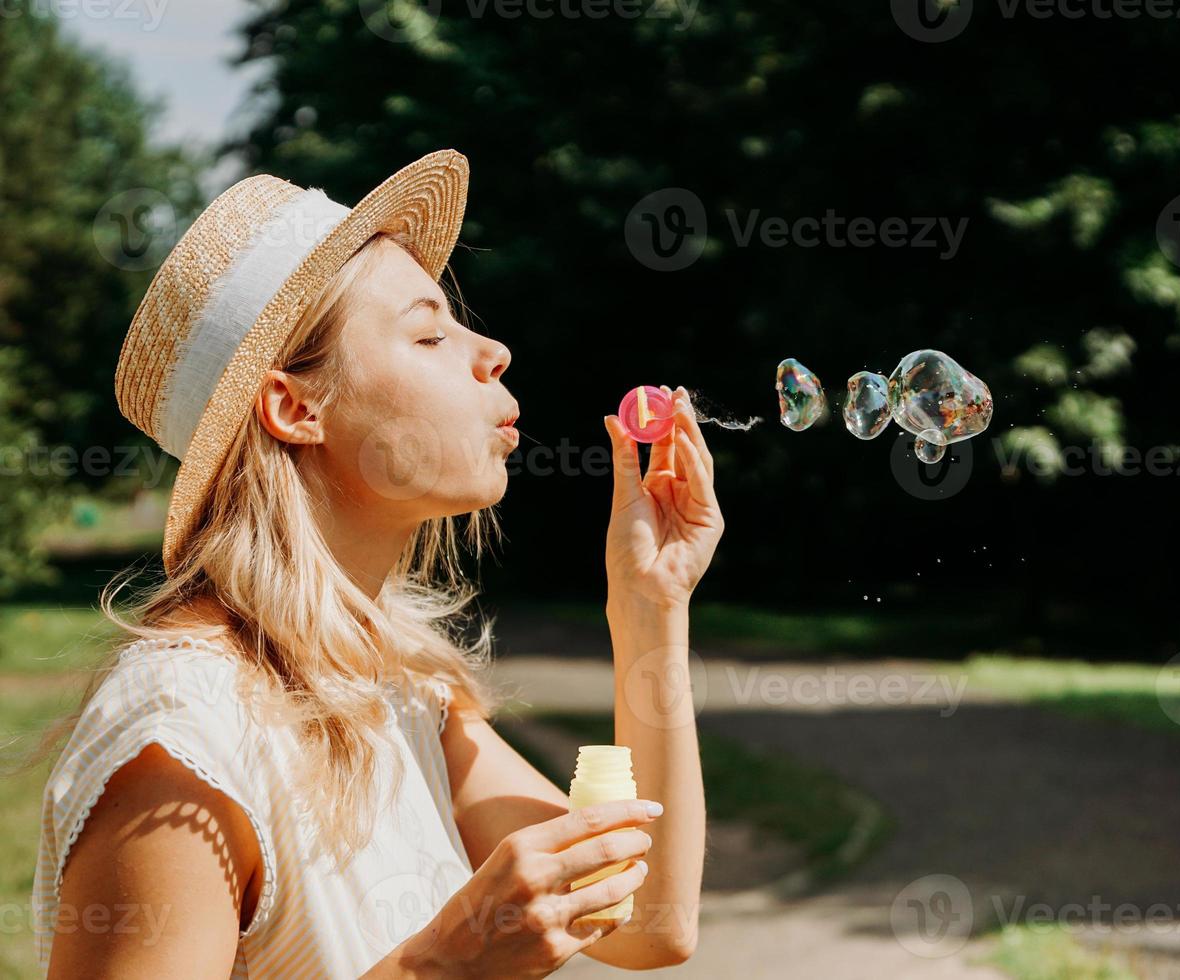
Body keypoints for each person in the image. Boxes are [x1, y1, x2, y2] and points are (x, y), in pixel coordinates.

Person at [26, 149, 720, 977]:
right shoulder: (180, 733)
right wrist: (441, 966)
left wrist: (649, 607)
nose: (493, 349)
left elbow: (646, 918)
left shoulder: (396, 685)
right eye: (428, 332)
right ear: (296, 407)